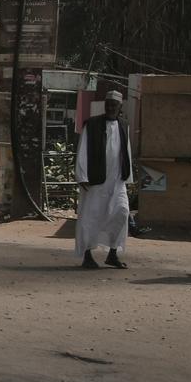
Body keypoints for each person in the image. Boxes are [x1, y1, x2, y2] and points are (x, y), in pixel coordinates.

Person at [75, 90, 133, 269]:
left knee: (122, 213)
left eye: (113, 105)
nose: (110, 108)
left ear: (119, 107)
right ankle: (87, 255)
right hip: (95, 181)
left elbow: (126, 151)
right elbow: (82, 149)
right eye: (107, 104)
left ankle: (113, 253)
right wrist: (82, 176)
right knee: (90, 217)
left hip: (116, 181)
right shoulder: (91, 125)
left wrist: (127, 176)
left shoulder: (124, 125)